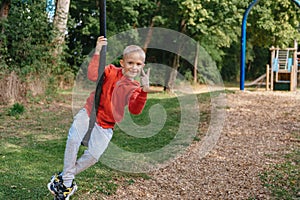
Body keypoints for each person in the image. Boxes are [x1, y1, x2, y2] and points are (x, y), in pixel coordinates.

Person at [47, 36, 150, 199]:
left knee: (94, 156)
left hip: (107, 124)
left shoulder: (135, 87)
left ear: (142, 66)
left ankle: (64, 177)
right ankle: (66, 185)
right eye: (130, 63)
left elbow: (135, 110)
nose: (134, 67)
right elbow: (92, 75)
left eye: (138, 64)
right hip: (90, 111)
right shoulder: (110, 71)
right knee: (73, 139)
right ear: (122, 63)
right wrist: (97, 51)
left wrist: (144, 90)